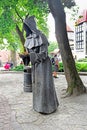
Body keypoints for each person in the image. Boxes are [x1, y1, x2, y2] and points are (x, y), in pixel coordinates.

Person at [23, 16, 59, 114]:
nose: (26, 29)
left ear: (31, 26)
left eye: (27, 26)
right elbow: (29, 56)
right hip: (35, 66)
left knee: (44, 85)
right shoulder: (28, 39)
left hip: (43, 66)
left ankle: (47, 107)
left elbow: (44, 54)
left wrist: (30, 55)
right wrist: (25, 56)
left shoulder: (41, 36)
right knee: (37, 86)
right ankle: (38, 106)